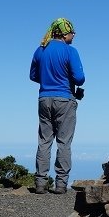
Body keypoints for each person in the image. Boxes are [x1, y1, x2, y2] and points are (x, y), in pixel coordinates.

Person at [29, 18, 85, 194]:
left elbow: (33, 76)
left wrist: (48, 79)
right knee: (64, 142)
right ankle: (61, 184)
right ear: (63, 33)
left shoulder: (40, 50)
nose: (74, 35)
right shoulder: (70, 51)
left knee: (44, 141)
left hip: (44, 98)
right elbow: (79, 78)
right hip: (65, 99)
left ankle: (40, 183)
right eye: (72, 32)